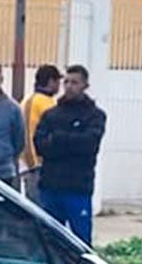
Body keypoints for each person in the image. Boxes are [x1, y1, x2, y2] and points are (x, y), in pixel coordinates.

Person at [32, 65, 108, 244]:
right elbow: (40, 145)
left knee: (80, 242)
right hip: (50, 187)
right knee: (49, 241)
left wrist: (58, 139)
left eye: (74, 82)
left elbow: (89, 144)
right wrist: (71, 141)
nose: (69, 86)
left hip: (78, 188)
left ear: (85, 85)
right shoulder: (51, 115)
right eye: (66, 82)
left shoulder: (95, 116)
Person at [19, 63, 63, 194]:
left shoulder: (47, 101)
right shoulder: (36, 102)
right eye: (58, 81)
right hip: (37, 167)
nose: (60, 86)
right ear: (51, 81)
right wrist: (32, 164)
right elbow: (28, 134)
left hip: (48, 165)